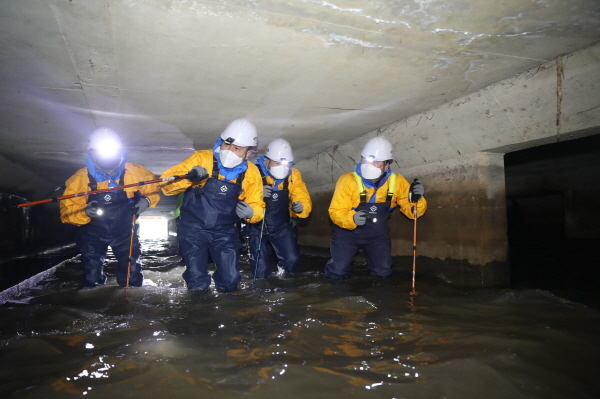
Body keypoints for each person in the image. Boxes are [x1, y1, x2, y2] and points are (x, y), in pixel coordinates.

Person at [160, 118, 264, 292]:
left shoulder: (251, 172)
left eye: (237, 148)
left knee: (230, 280)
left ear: (248, 153)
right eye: (226, 144)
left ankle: (225, 311)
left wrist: (252, 212)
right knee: (197, 281)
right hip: (193, 229)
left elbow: (257, 204)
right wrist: (187, 177)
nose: (229, 150)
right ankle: (199, 311)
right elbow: (166, 186)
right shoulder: (201, 159)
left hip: (225, 232)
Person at [60, 127, 160, 287]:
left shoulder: (135, 172)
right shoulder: (79, 179)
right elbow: (66, 212)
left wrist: (147, 201)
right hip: (92, 235)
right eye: (100, 153)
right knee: (90, 277)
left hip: (126, 233)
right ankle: (92, 304)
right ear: (91, 153)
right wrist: (84, 211)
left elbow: (154, 189)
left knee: (131, 276)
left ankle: (130, 304)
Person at [325, 136, 427, 278]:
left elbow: (413, 213)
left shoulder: (397, 182)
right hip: (347, 234)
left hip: (377, 234)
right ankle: (334, 296)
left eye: (376, 162)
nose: (369, 164)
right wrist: (352, 217)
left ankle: (379, 297)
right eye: (366, 159)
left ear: (387, 165)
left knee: (383, 271)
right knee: (338, 270)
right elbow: (336, 211)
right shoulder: (347, 180)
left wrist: (418, 199)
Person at [248, 138, 312, 279]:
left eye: (287, 164)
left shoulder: (293, 174)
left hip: (281, 226)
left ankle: (282, 280)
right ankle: (262, 289)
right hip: (257, 227)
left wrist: (301, 207)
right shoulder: (252, 171)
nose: (283, 167)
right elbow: (240, 195)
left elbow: (302, 196)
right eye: (278, 163)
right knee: (260, 268)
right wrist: (258, 193)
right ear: (267, 160)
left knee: (292, 259)